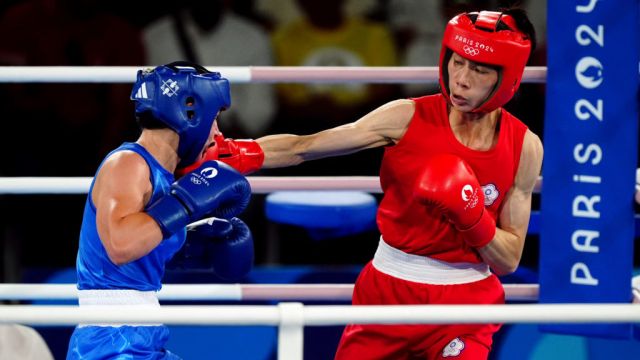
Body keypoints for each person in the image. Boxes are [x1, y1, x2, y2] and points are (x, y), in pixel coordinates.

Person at [193, 8, 543, 359]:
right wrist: (237, 153)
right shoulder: (406, 116)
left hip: (466, 304)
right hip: (389, 292)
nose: (461, 78)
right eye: (457, 62)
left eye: (479, 69)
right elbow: (306, 147)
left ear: (507, 78)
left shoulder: (523, 147)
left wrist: (471, 215)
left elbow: (508, 260)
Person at [66, 61, 254, 359]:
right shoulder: (127, 163)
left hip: (141, 333)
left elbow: (140, 243)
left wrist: (192, 242)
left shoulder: (163, 178)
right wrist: (185, 203)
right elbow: (120, 244)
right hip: (112, 340)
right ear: (192, 113)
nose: (217, 133)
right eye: (215, 118)